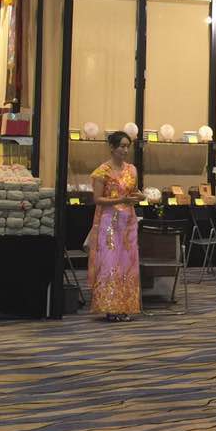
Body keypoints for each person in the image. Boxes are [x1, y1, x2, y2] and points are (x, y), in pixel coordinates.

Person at [87, 131, 141, 322]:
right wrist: (120, 200)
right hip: (109, 221)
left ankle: (125, 306)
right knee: (110, 262)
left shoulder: (132, 170)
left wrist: (139, 196)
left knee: (127, 262)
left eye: (128, 146)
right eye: (122, 146)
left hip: (128, 221)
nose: (125, 150)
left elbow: (134, 191)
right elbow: (97, 199)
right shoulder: (102, 171)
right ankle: (109, 306)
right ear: (112, 147)